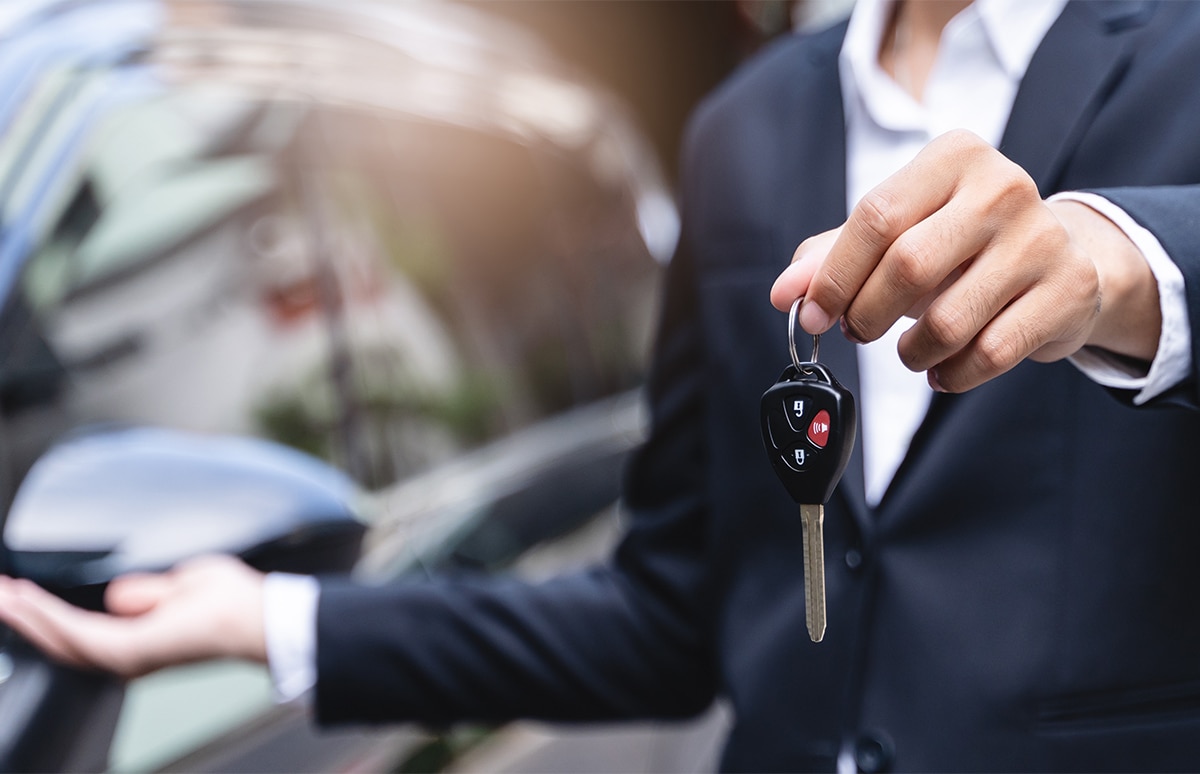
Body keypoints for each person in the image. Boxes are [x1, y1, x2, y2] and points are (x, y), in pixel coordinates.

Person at [4, 0, 1200, 769]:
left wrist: (1122, 263)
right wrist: (267, 618)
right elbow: (674, 613)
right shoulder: (748, 124)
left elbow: (1140, 258)